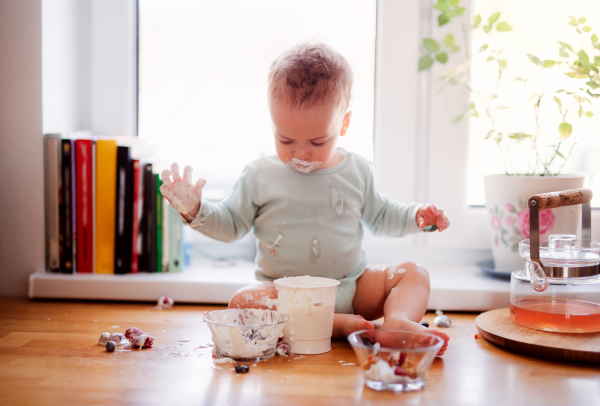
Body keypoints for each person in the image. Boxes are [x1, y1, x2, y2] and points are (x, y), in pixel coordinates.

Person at [160, 42, 450, 355]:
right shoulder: (259, 175)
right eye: (284, 139)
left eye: (317, 141)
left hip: (352, 289)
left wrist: (416, 216)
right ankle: (336, 325)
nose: (300, 153)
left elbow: (382, 216)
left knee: (414, 273)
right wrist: (195, 210)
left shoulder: (358, 170)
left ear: (344, 124)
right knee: (243, 301)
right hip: (284, 297)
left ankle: (396, 321)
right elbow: (230, 224)